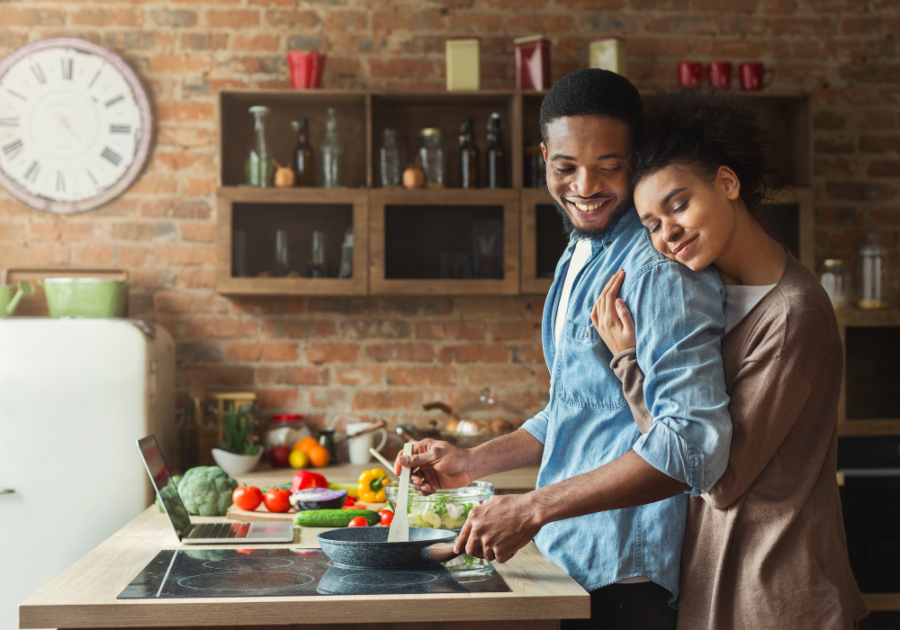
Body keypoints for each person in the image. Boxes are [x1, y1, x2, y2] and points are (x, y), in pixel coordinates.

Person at [395, 69, 733, 630]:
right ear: (543, 155)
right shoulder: (579, 254)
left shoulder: (659, 269)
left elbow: (693, 445)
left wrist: (531, 505)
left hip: (629, 576)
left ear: (637, 160)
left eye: (610, 166)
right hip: (571, 561)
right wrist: (473, 461)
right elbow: (577, 406)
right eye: (566, 167)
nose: (585, 186)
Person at [591, 88, 868, 629]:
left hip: (780, 599)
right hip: (723, 585)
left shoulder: (793, 313)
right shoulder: (710, 295)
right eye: (651, 223)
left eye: (678, 204)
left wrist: (628, 364)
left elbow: (716, 474)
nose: (667, 233)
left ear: (727, 183)